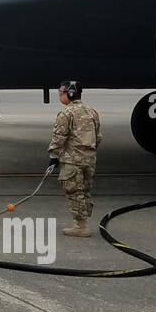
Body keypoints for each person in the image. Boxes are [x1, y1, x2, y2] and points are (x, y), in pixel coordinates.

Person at [48, 80, 101, 238]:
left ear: (69, 94)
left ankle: (81, 226)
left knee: (73, 191)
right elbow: (98, 137)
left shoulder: (66, 113)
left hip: (73, 160)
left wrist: (54, 157)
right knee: (84, 191)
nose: (59, 96)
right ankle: (83, 222)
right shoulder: (91, 111)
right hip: (89, 159)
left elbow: (59, 138)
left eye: (61, 93)